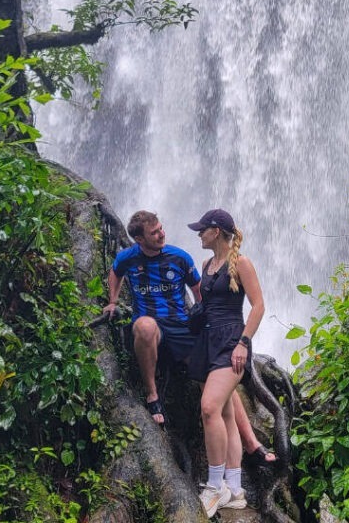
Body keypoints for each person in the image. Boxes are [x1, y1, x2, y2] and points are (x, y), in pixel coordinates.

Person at [102, 211, 275, 461]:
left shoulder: (180, 258)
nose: (162, 234)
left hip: (183, 328)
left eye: (161, 228)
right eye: (154, 232)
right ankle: (153, 396)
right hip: (150, 327)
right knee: (145, 326)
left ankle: (251, 442)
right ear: (139, 239)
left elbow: (201, 292)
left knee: (217, 376)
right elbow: (115, 272)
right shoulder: (128, 258)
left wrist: (214, 331)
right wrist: (113, 301)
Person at [187, 209, 265, 517]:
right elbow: (206, 306)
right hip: (208, 342)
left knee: (209, 408)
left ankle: (214, 485)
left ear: (216, 231)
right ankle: (235, 490)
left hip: (232, 343)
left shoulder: (241, 264)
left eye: (202, 230)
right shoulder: (207, 265)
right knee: (227, 415)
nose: (199, 235)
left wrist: (244, 344)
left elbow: (259, 306)